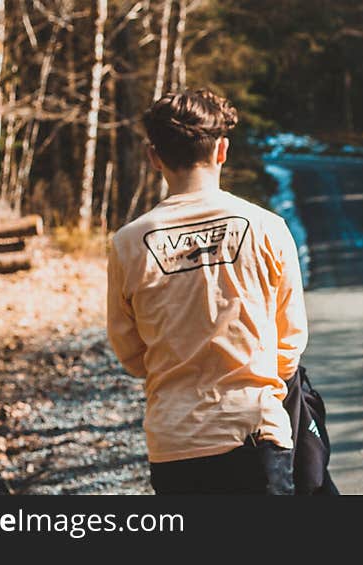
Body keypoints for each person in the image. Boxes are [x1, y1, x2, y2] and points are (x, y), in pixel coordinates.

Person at [106, 88, 308, 495]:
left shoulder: (128, 243)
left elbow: (130, 354)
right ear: (222, 150)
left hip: (175, 442)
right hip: (255, 432)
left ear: (154, 157)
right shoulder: (267, 227)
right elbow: (290, 342)